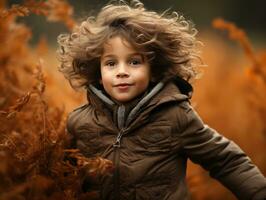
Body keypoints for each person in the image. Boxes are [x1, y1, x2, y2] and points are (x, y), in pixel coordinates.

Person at [57, 0, 266, 199]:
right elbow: (59, 178)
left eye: (134, 62)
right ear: (98, 72)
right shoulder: (79, 123)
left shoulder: (175, 116)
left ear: (154, 70)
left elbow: (226, 161)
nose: (122, 72)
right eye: (111, 63)